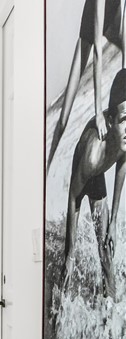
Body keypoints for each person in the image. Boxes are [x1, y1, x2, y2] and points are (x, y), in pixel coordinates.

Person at [49, 0, 126, 168]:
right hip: (95, 11)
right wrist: (97, 112)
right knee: (65, 114)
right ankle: (45, 166)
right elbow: (97, 48)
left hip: (114, 7)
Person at [59, 69, 126, 298]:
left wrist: (114, 221)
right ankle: (56, 313)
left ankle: (110, 310)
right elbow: (73, 197)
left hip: (96, 176)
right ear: (110, 121)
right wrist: (70, 252)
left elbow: (122, 166)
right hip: (84, 174)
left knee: (106, 249)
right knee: (69, 261)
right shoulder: (92, 154)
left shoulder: (124, 137)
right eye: (124, 120)